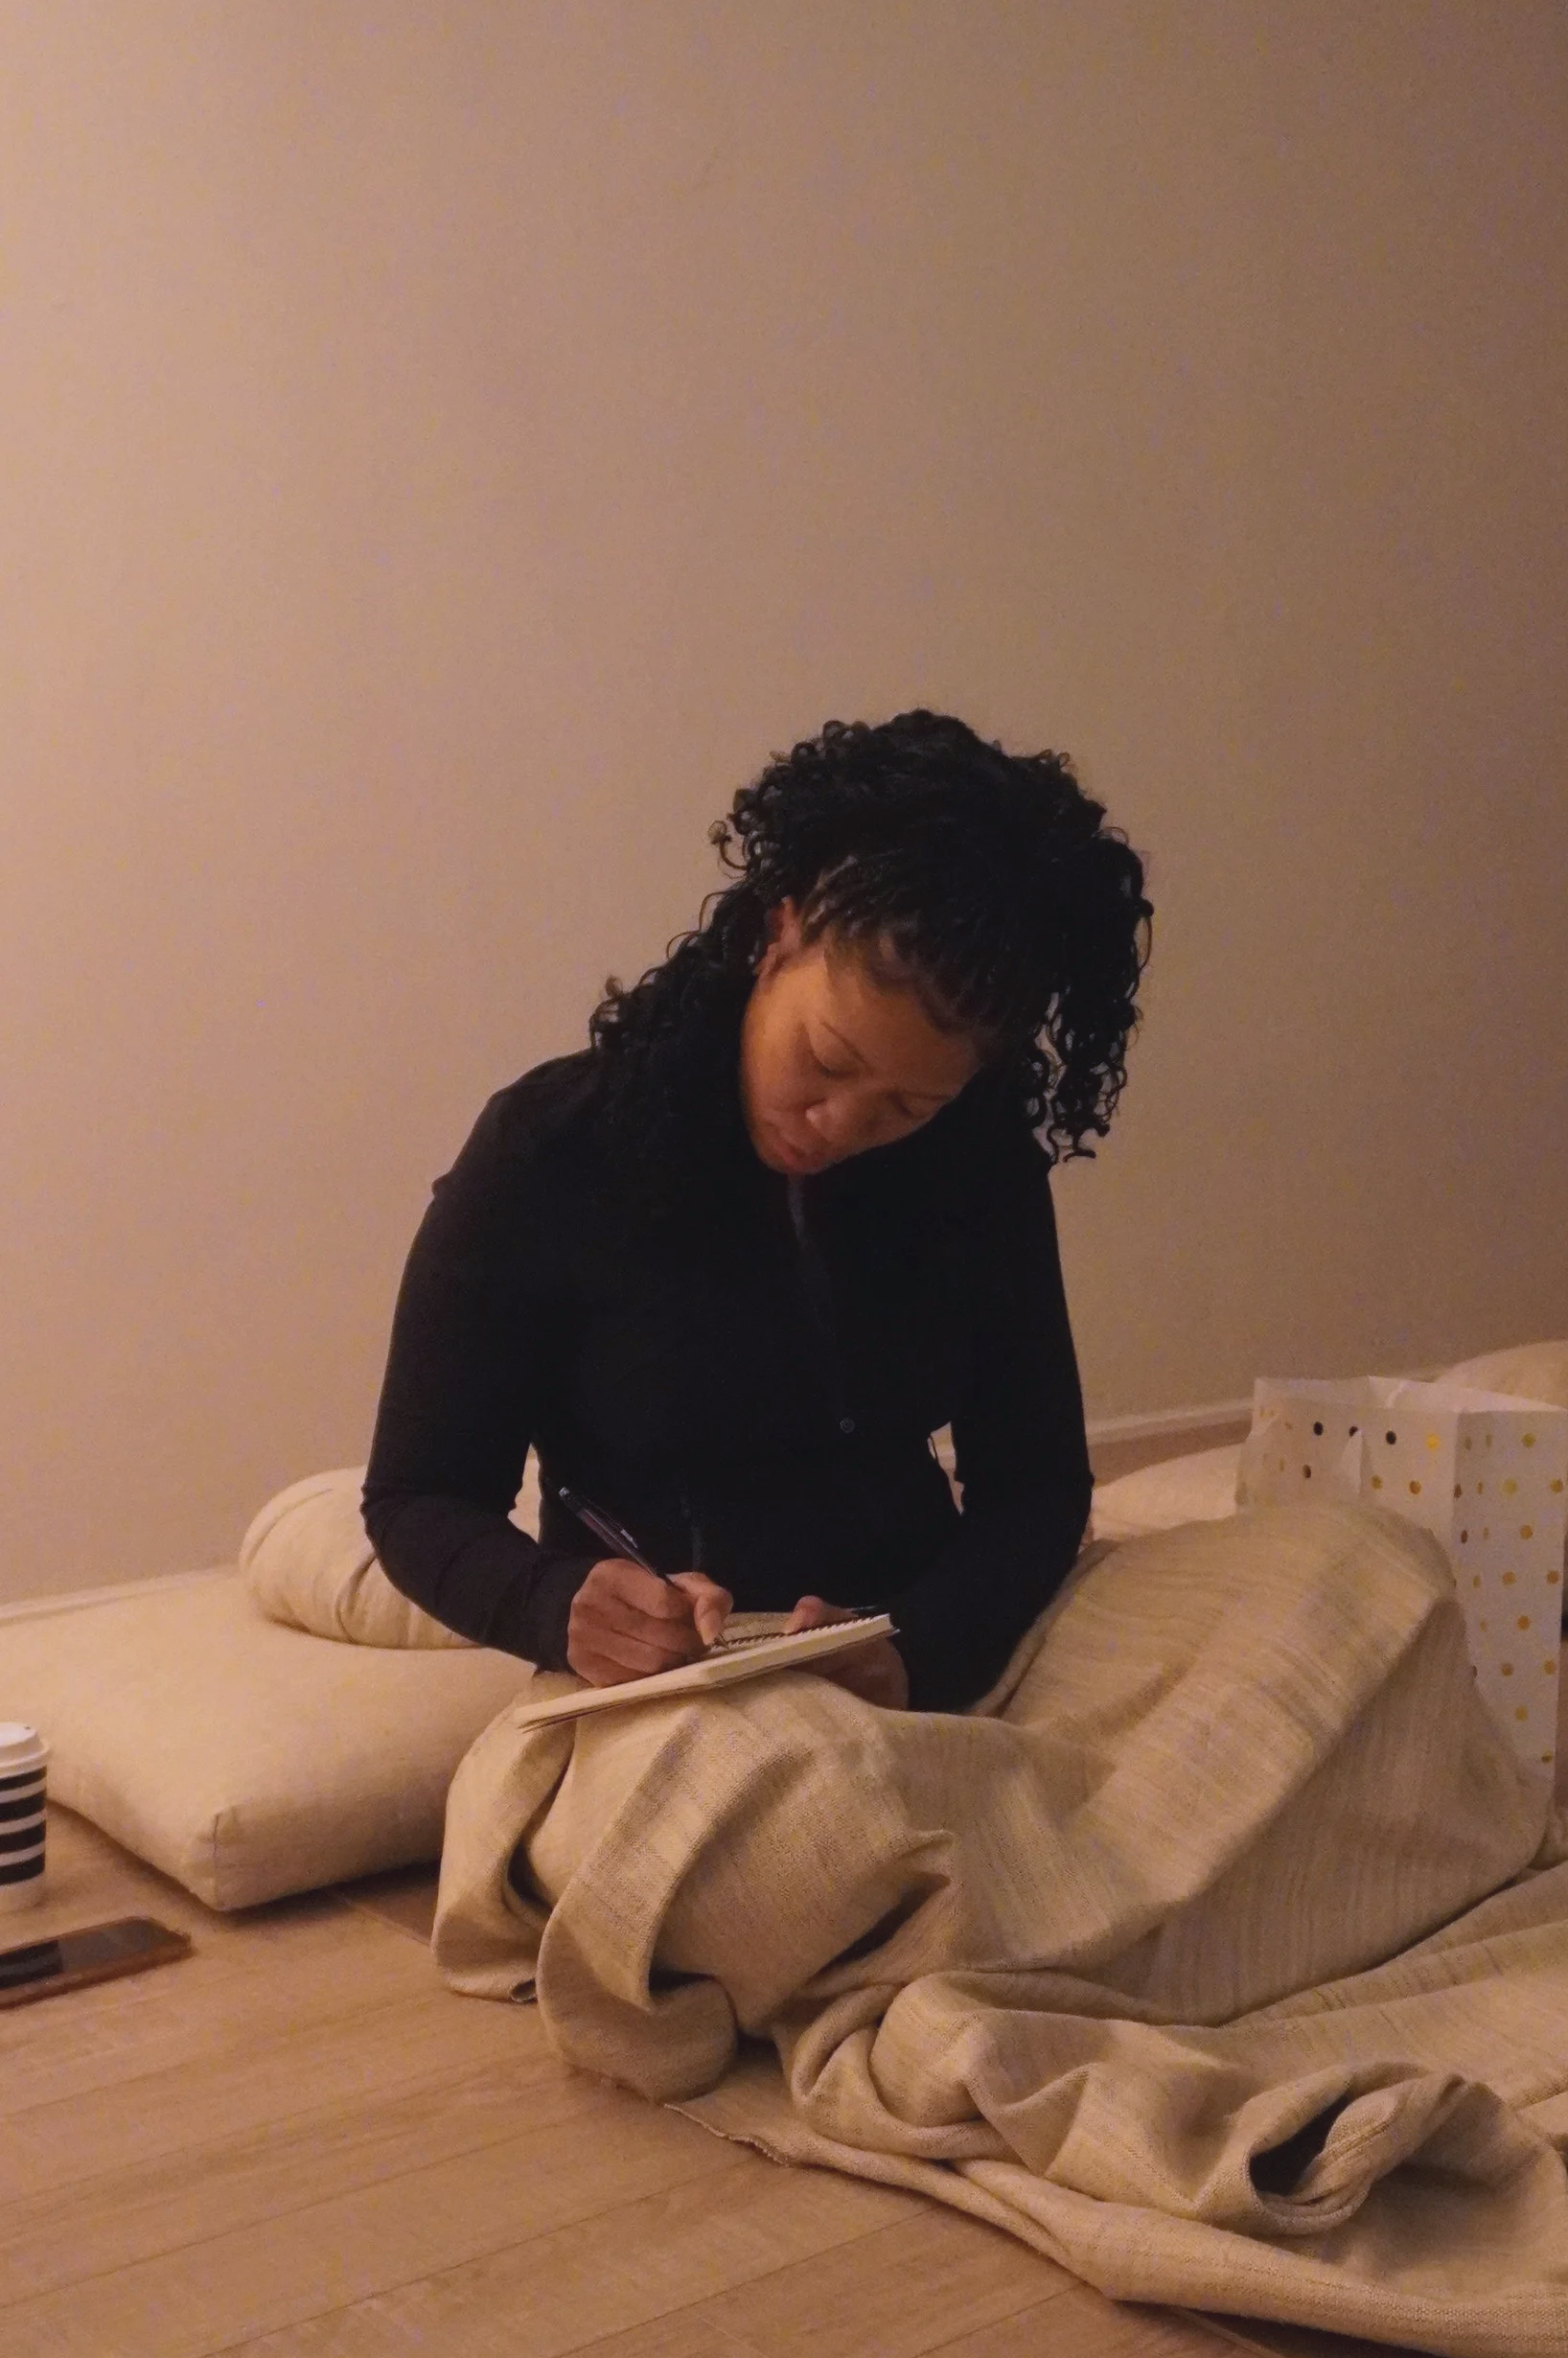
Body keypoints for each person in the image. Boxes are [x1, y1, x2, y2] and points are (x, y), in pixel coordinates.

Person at [364, 709, 1151, 1706]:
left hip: (919, 1650)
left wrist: (913, 1650)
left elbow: (1036, 1487)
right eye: (826, 1061)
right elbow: (415, 1498)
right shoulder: (551, 1153)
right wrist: (553, 1603)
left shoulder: (977, 1162)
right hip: (672, 1677)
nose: (840, 1124)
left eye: (909, 1106)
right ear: (777, 937)